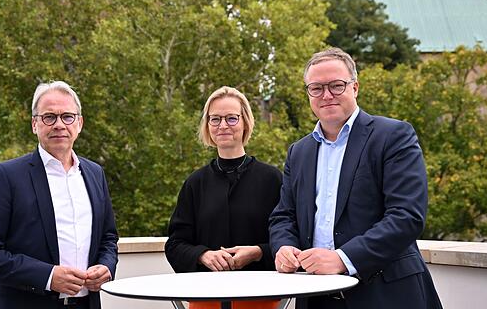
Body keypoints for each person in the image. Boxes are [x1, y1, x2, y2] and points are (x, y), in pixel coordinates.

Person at [269, 48, 442, 309]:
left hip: (385, 295)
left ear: (355, 88)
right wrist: (284, 247)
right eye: (316, 88)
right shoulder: (299, 152)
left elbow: (406, 216)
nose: (326, 95)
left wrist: (343, 258)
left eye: (336, 86)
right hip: (316, 298)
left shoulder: (393, 136)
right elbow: (283, 215)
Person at [0, 81, 118, 309]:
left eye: (67, 116)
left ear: (79, 123)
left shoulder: (94, 173)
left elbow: (108, 237)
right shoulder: (6, 176)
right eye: (49, 117)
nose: (59, 125)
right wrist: (48, 277)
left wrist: (106, 266)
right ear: (35, 124)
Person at [165, 86, 282, 309]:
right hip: (206, 298)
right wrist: (202, 255)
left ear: (245, 122)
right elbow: (175, 244)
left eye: (231, 118)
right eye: (215, 119)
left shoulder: (272, 179)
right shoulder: (195, 183)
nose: (223, 126)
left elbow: (289, 239)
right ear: (208, 126)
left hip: (260, 298)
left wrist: (258, 252)